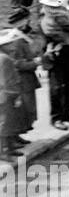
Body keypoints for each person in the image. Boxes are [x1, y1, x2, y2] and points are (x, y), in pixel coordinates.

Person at [38, 0, 69, 129]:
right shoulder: (46, 20)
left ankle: (67, 112)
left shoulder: (63, 13)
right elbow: (51, 36)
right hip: (55, 54)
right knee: (57, 87)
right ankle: (56, 117)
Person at [0, 22, 40, 153]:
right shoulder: (4, 58)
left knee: (11, 119)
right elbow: (7, 79)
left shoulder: (5, 56)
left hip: (10, 91)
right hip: (9, 92)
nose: (12, 45)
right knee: (6, 121)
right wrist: (14, 95)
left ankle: (12, 142)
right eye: (10, 43)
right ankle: (5, 148)